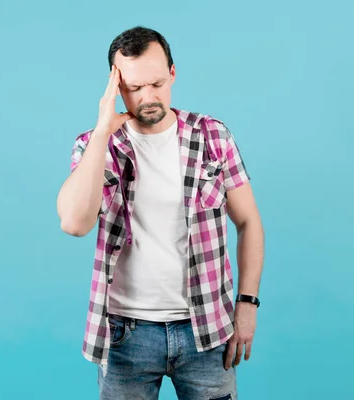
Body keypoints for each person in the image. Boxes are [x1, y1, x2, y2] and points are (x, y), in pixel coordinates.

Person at [57, 26, 265, 400]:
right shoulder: (94, 146)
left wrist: (247, 305)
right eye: (134, 88)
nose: (148, 97)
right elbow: (74, 223)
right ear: (115, 86)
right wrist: (104, 129)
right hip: (126, 335)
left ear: (172, 72)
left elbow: (249, 222)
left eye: (156, 83)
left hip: (207, 330)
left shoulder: (212, 137)